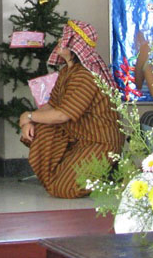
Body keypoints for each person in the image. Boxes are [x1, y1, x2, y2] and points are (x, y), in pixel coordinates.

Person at [19, 20, 124, 199]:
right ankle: (71, 173)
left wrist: (28, 115)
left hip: (98, 141)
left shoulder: (85, 75)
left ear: (74, 45)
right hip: (77, 135)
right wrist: (27, 120)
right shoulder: (67, 72)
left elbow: (62, 115)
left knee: (64, 189)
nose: (60, 41)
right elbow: (52, 105)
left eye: (64, 38)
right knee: (41, 129)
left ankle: (107, 176)